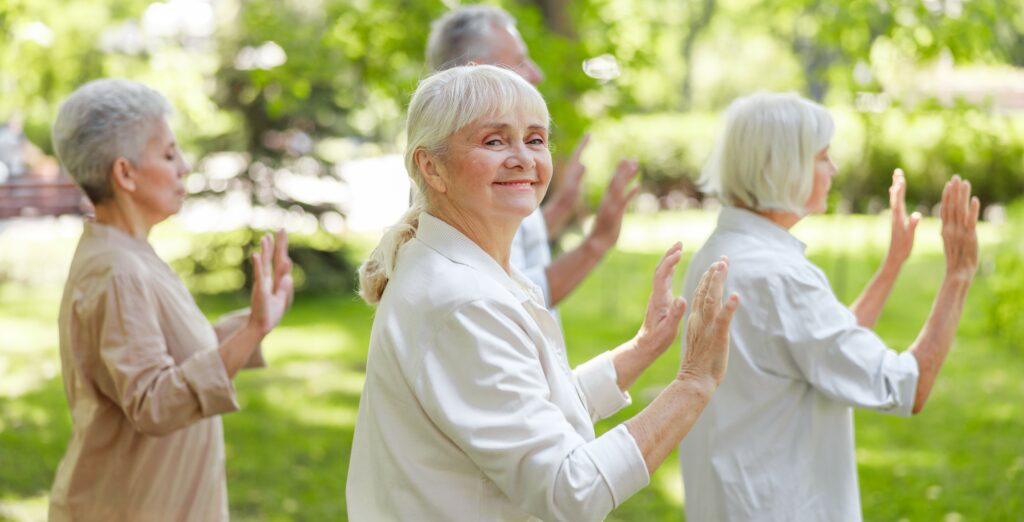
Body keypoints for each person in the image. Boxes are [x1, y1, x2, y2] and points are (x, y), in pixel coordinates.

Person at [346, 64, 739, 521]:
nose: (522, 158)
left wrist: (641, 349)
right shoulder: (463, 301)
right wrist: (692, 384)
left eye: (535, 139)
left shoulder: (457, 266)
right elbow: (570, 490)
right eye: (494, 141)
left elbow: (526, 407)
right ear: (431, 167)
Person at [678, 92, 979, 521]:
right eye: (823, 157)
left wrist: (892, 264)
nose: (833, 169)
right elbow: (905, 386)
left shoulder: (721, 253)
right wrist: (959, 276)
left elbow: (822, 348)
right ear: (781, 167)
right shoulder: (778, 276)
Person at [48, 79, 294, 521]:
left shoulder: (127, 252)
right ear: (124, 173)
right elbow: (153, 400)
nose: (183, 165)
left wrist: (256, 321)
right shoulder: (117, 270)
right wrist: (252, 331)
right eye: (167, 154)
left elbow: (172, 356)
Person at [426, 5, 639, 310]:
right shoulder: (462, 173)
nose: (536, 74)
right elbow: (514, 298)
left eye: (535, 140)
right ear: (480, 69)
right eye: (521, 62)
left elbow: (520, 247)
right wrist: (598, 241)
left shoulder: (466, 168)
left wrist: (562, 205)